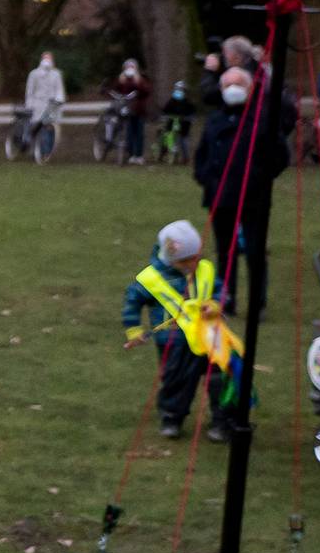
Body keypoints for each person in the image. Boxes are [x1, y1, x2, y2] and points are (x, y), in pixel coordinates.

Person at [193, 62, 290, 323]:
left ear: (249, 89)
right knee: (225, 251)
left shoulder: (262, 118)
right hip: (220, 196)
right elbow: (202, 153)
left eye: (238, 84)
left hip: (253, 197)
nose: (232, 89)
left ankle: (257, 303)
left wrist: (260, 177)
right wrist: (205, 177)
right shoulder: (215, 119)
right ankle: (226, 298)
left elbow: (280, 155)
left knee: (256, 252)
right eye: (227, 85)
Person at [120, 219, 227, 440]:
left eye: (195, 257)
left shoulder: (204, 269)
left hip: (209, 336)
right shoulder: (151, 279)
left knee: (220, 378)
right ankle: (172, 417)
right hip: (174, 341)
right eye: (185, 261)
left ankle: (222, 419)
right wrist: (133, 329)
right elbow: (132, 301)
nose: (192, 264)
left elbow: (219, 290)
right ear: (170, 258)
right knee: (176, 379)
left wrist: (216, 304)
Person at [105, 59, 153, 165]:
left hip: (139, 110)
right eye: (128, 67)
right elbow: (115, 90)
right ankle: (130, 154)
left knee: (139, 133)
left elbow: (146, 91)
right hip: (126, 110)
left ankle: (139, 155)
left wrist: (137, 83)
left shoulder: (141, 79)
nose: (130, 69)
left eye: (132, 67)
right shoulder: (121, 79)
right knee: (129, 133)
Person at [21, 53, 66, 161]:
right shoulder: (34, 74)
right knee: (35, 127)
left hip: (51, 105)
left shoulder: (56, 74)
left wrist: (59, 99)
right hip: (37, 104)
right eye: (45, 58)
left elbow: (59, 89)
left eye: (49, 58)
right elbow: (30, 91)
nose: (47, 61)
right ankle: (32, 147)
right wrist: (29, 104)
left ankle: (46, 152)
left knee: (49, 128)